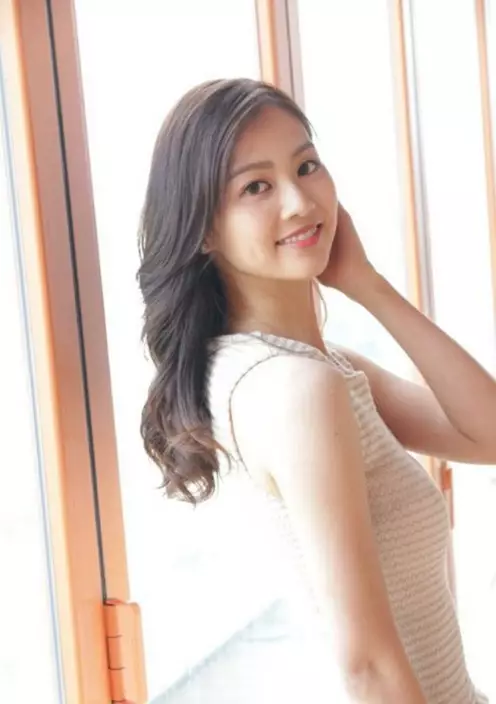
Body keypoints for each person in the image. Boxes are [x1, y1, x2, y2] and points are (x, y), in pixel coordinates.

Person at [137, 78, 493, 703]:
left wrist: (366, 284)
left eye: (306, 166)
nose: (300, 202)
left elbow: (486, 434)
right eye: (256, 187)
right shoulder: (296, 389)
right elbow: (367, 667)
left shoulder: (313, 370)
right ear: (203, 229)